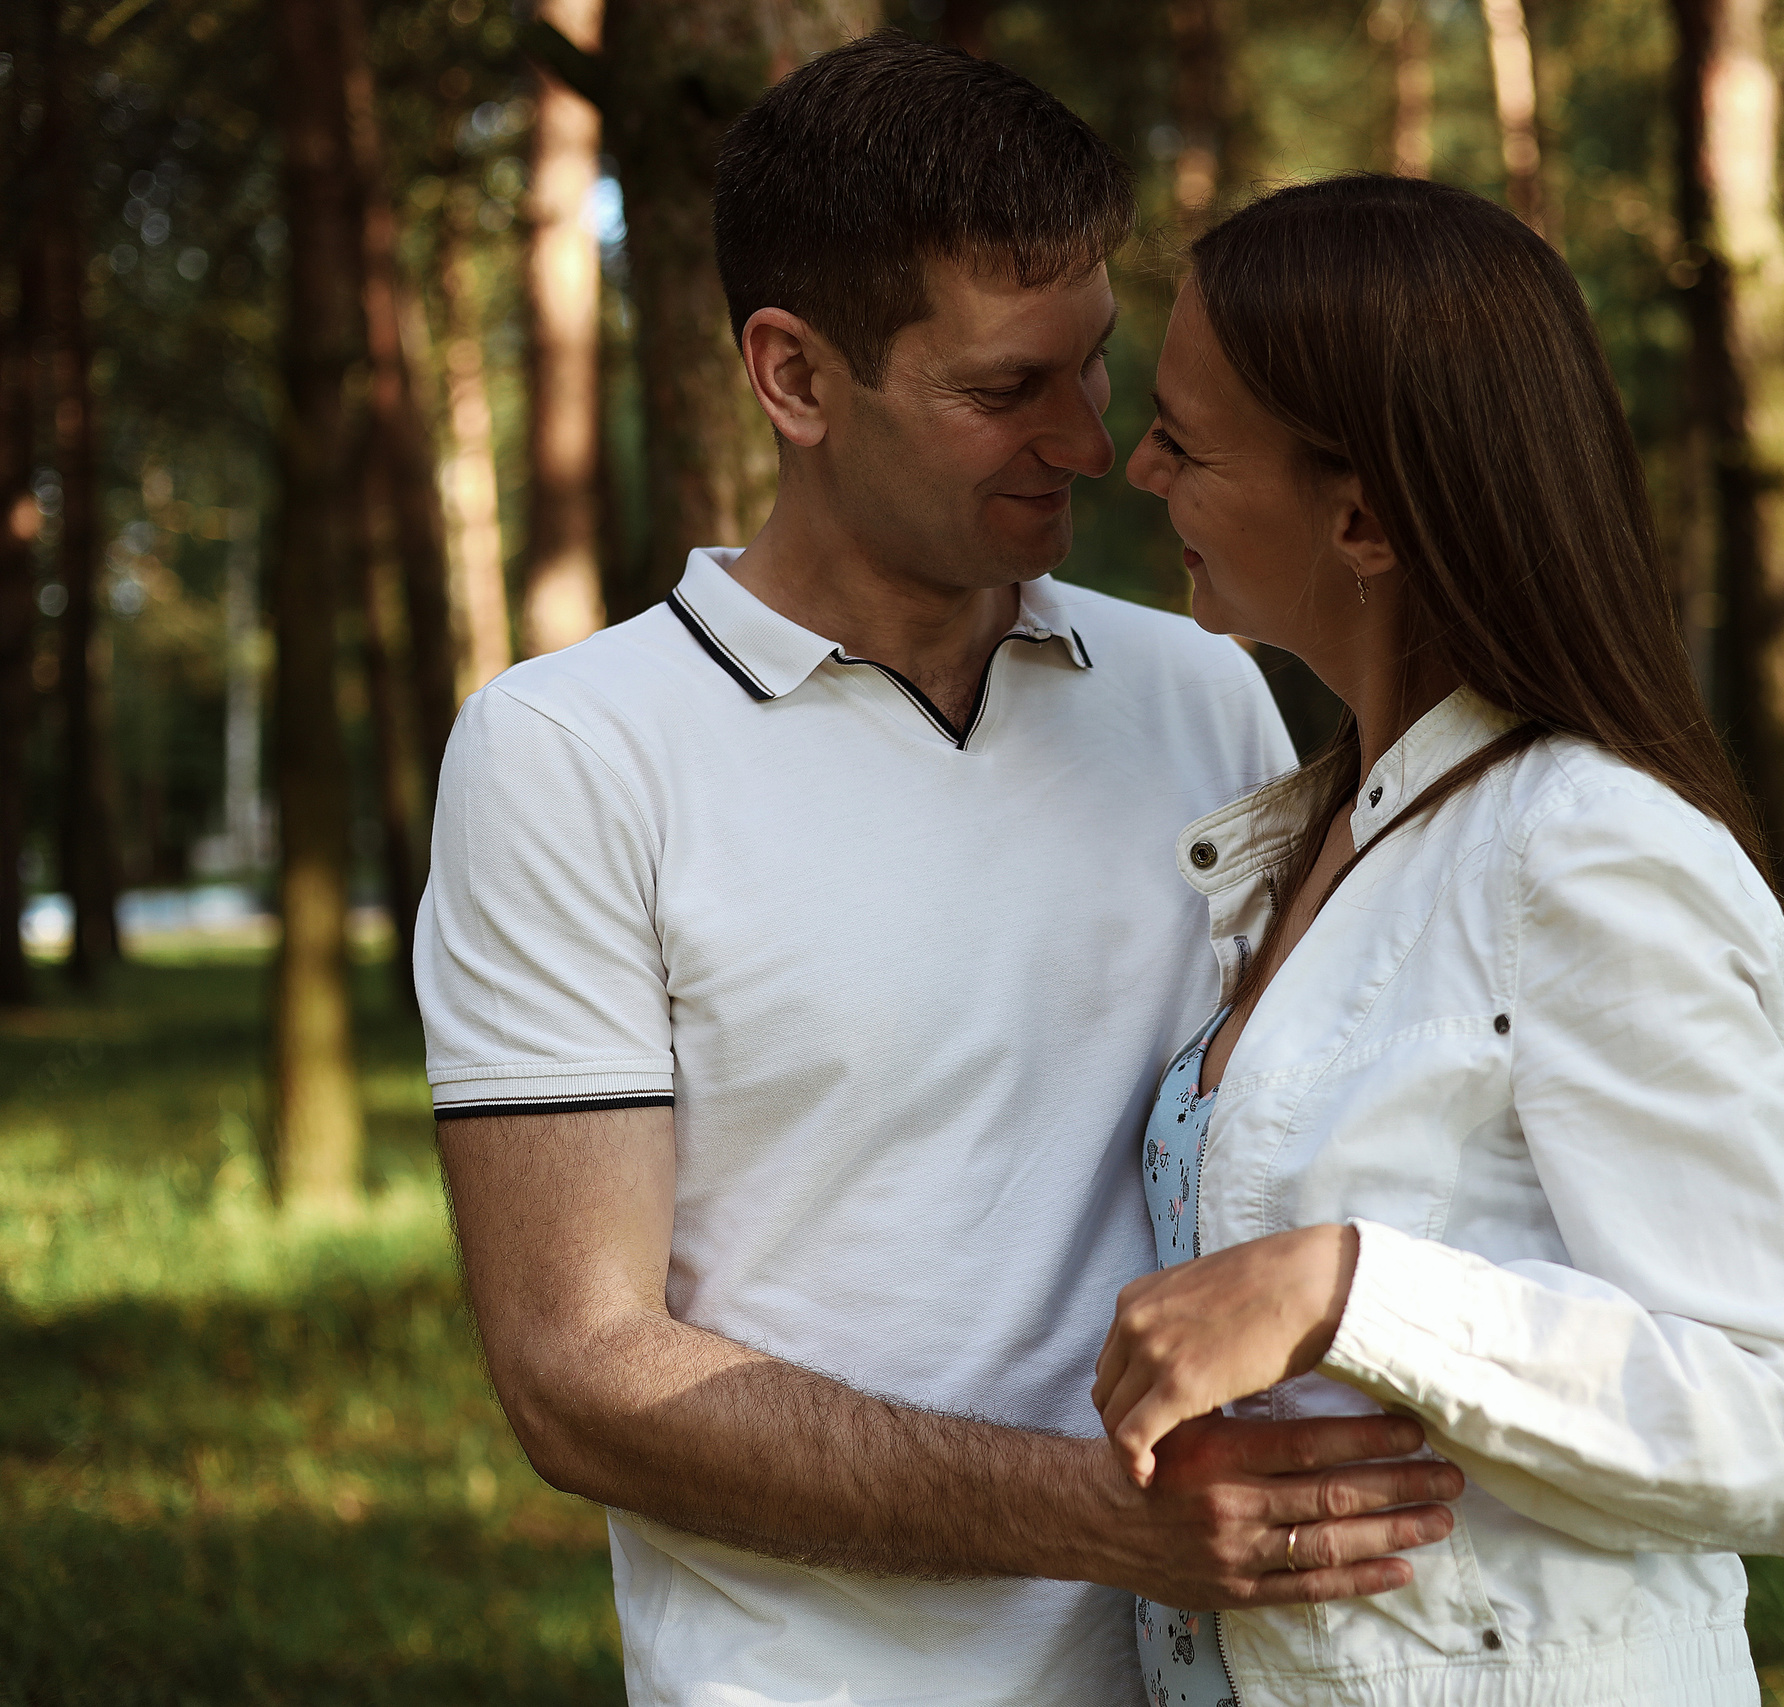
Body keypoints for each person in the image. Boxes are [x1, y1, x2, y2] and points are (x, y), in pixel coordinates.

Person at [419, 41, 1463, 1707]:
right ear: (795, 378)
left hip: (1243, 1673)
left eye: (1095, 368)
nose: (1092, 442)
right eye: (1003, 391)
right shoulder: (569, 754)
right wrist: (1113, 1525)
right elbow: (576, 1372)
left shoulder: (1202, 686)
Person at [1094, 174, 1784, 1706]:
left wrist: (1344, 1290)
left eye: (1185, 442)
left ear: (1366, 515)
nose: (1137, 467)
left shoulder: (1587, 851)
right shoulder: (1320, 834)